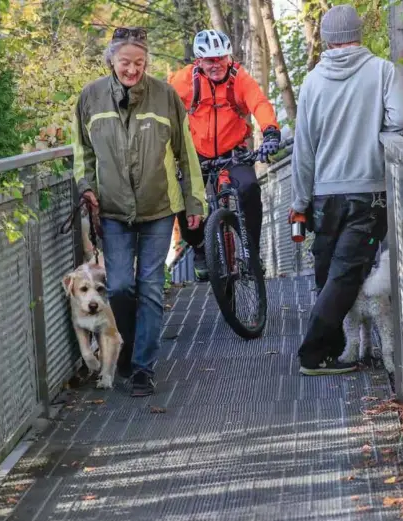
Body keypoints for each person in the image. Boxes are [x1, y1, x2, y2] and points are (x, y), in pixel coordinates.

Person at [72, 27, 206, 396]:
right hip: (113, 210)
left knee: (148, 286)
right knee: (118, 286)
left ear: (147, 63)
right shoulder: (90, 97)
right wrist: (86, 187)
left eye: (140, 63)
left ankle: (143, 367)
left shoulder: (165, 96)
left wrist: (195, 202)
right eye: (125, 62)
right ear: (111, 61)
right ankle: (127, 350)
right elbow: (81, 151)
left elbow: (186, 153)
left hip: (159, 207)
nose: (132, 69)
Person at [289, 5, 403, 375]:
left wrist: (300, 201)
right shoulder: (382, 71)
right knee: (345, 274)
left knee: (328, 271)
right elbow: (401, 119)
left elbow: (303, 149)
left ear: (327, 39)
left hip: (325, 195)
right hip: (369, 192)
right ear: (358, 33)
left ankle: (330, 351)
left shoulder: (312, 81)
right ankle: (315, 354)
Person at [168, 30, 281, 281]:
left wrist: (271, 132)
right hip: (196, 153)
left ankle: (252, 250)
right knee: (183, 200)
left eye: (221, 58)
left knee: (250, 188)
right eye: (210, 60)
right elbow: (163, 108)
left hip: (233, 151)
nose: (216, 64)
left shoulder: (238, 77)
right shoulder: (185, 80)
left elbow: (259, 103)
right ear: (199, 61)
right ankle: (199, 247)